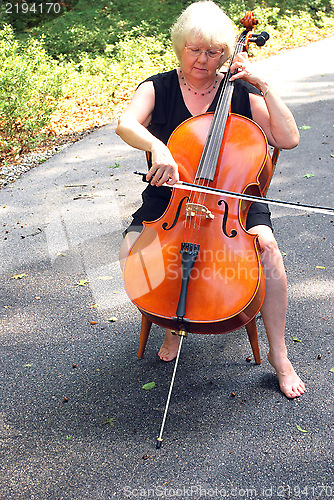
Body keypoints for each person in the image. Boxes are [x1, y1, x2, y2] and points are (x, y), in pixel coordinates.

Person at [116, 0, 305, 399]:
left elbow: (288, 138)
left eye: (214, 51)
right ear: (180, 46)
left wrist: (264, 85)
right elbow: (126, 123)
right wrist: (159, 147)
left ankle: (280, 354)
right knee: (134, 247)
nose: (203, 60)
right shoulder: (158, 87)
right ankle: (171, 321)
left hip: (231, 201)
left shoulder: (240, 92)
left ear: (225, 52)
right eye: (194, 49)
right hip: (172, 198)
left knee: (268, 248)